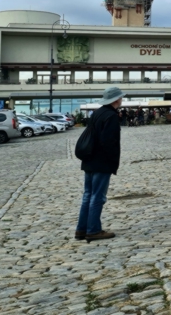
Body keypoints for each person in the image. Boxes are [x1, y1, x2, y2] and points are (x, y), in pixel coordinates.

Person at [76, 86, 124, 242]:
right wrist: (112, 163)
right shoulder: (111, 116)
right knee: (98, 196)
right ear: (116, 99)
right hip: (101, 161)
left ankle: (81, 229)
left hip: (89, 159)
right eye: (121, 97)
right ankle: (93, 230)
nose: (121, 99)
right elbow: (109, 142)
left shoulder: (97, 113)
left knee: (88, 195)